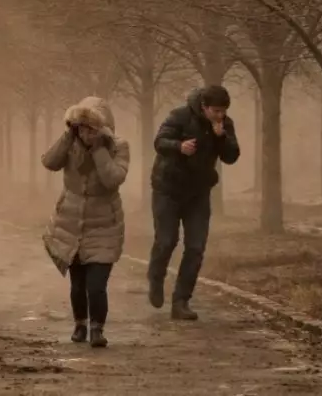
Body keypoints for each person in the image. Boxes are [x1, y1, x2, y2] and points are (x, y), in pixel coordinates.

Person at [42, 96, 131, 348]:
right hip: (71, 225)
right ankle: (80, 323)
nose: (86, 132)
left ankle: (97, 329)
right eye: (81, 126)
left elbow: (113, 179)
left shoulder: (118, 146)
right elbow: (49, 162)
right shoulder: (70, 145)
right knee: (78, 284)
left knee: (96, 284)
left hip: (105, 226)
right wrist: (68, 137)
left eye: (91, 127)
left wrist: (98, 149)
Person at [147, 84, 240, 321]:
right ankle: (156, 277)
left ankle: (181, 301)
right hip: (167, 189)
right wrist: (179, 146)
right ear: (204, 107)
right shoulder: (179, 116)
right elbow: (159, 141)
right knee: (167, 240)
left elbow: (231, 156)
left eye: (224, 111)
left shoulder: (225, 125)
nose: (220, 116)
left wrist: (221, 138)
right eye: (216, 111)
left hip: (198, 192)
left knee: (196, 247)